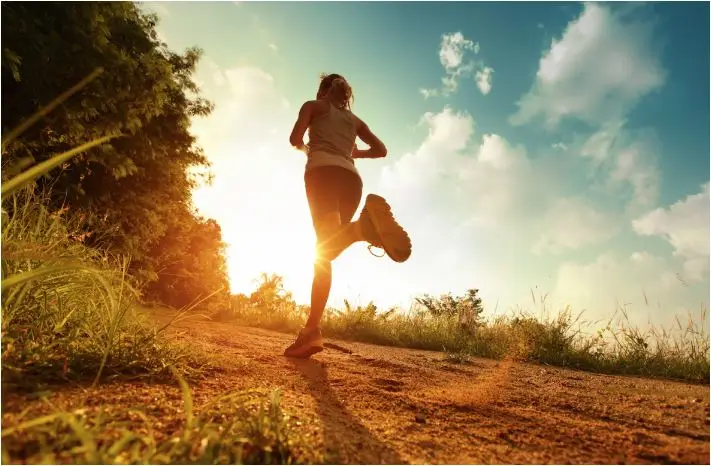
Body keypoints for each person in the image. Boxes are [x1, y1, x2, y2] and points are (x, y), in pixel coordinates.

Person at [284, 73, 411, 358]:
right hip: (351, 180)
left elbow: (294, 138)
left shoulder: (313, 106)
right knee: (327, 251)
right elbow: (381, 150)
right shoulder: (355, 121)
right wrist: (354, 153)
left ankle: (360, 230)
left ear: (322, 90)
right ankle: (311, 331)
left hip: (323, 174)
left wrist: (308, 149)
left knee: (324, 249)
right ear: (345, 94)